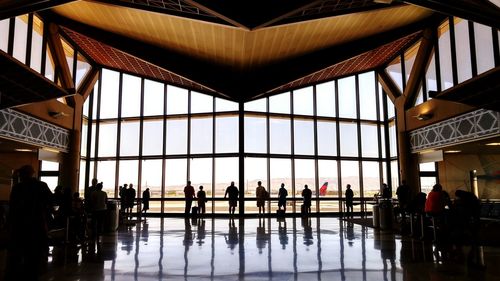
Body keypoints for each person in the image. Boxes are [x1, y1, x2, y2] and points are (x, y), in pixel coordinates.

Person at [6, 165, 53, 280]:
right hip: (36, 225)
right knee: (34, 256)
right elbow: (50, 201)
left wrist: (9, 224)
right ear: (32, 173)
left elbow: (12, 208)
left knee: (18, 254)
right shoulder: (41, 186)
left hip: (20, 226)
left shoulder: (17, 188)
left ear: (21, 175)